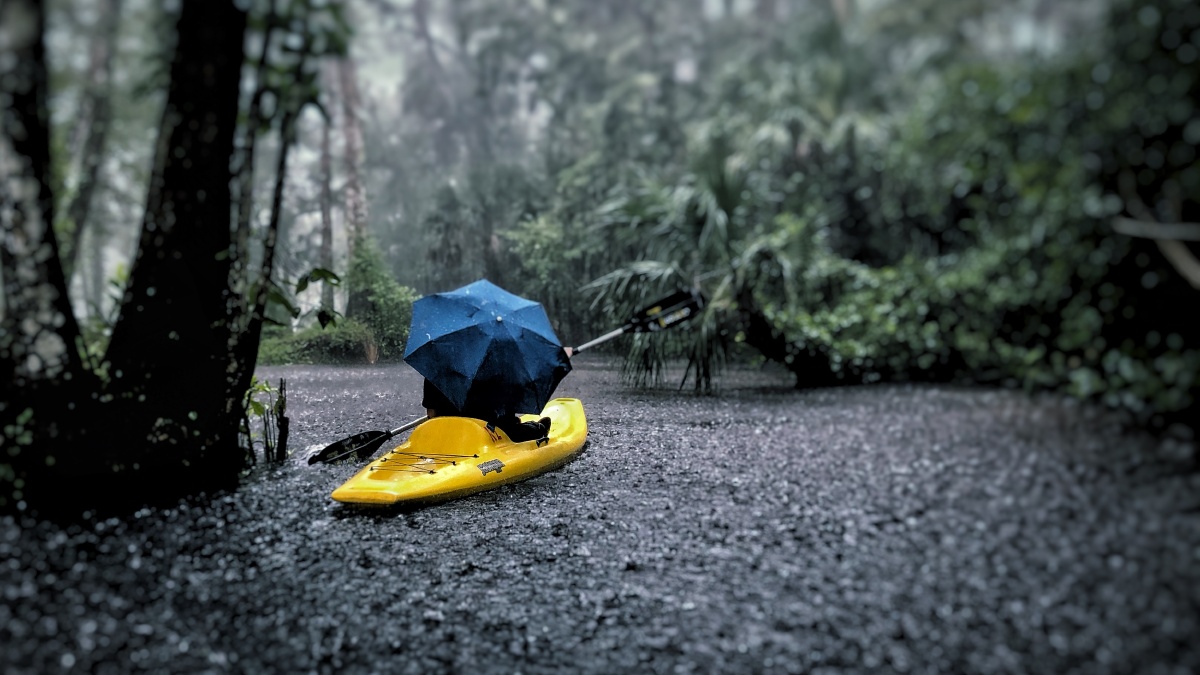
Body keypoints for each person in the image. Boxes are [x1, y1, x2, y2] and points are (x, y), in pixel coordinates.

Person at [422, 347, 574, 443]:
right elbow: (511, 403)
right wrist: (556, 358)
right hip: (488, 432)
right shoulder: (495, 362)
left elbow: (431, 414)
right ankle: (538, 429)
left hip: (447, 433)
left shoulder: (435, 368)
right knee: (511, 429)